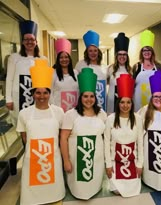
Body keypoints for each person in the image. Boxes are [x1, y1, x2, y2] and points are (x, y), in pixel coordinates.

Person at [16, 59, 65, 205]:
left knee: (54, 195)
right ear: (32, 94)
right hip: (33, 159)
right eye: (38, 93)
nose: (42, 96)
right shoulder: (24, 113)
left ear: (50, 94)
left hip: (53, 158)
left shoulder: (58, 112)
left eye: (45, 93)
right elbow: (24, 137)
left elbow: (61, 135)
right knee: (33, 195)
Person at [60, 68, 107, 200]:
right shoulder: (70, 115)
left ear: (95, 98)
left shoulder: (102, 114)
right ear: (80, 97)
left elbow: (106, 137)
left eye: (91, 96)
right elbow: (63, 139)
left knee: (94, 184)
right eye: (85, 96)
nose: (89, 99)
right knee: (79, 187)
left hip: (96, 159)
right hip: (76, 159)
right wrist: (66, 161)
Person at [104, 74, 143, 197]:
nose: (125, 105)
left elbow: (140, 143)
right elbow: (106, 143)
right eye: (122, 102)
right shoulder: (110, 119)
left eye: (128, 102)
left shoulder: (138, 118)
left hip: (132, 160)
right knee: (116, 191)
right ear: (118, 103)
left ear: (132, 104)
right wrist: (108, 165)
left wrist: (139, 164)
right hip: (115, 161)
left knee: (133, 190)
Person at [6, 20, 46, 125]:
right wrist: (8, 99)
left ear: (36, 42)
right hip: (19, 95)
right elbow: (9, 79)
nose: (29, 42)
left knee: (35, 122)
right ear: (23, 42)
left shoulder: (42, 59)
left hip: (36, 95)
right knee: (22, 123)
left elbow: (44, 80)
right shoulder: (14, 58)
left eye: (32, 39)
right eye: (26, 39)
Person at [75, 30, 107, 111]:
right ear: (87, 52)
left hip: (101, 100)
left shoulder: (104, 66)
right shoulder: (80, 65)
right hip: (86, 100)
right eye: (90, 51)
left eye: (95, 50)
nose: (93, 53)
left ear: (98, 52)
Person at [132, 29, 161, 112]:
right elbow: (132, 84)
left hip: (154, 100)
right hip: (138, 101)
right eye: (144, 50)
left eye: (149, 50)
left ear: (152, 52)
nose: (146, 52)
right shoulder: (136, 67)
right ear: (141, 52)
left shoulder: (158, 66)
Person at [50, 38, 78, 112]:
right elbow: (50, 93)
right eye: (61, 57)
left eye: (66, 57)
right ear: (58, 59)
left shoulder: (76, 73)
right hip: (58, 111)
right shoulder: (53, 73)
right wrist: (54, 110)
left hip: (74, 111)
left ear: (69, 58)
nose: (64, 59)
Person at [107, 32, 132, 114]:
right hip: (112, 100)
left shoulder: (131, 70)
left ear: (127, 56)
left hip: (126, 103)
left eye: (124, 54)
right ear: (116, 56)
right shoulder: (110, 69)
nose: (122, 57)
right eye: (120, 54)